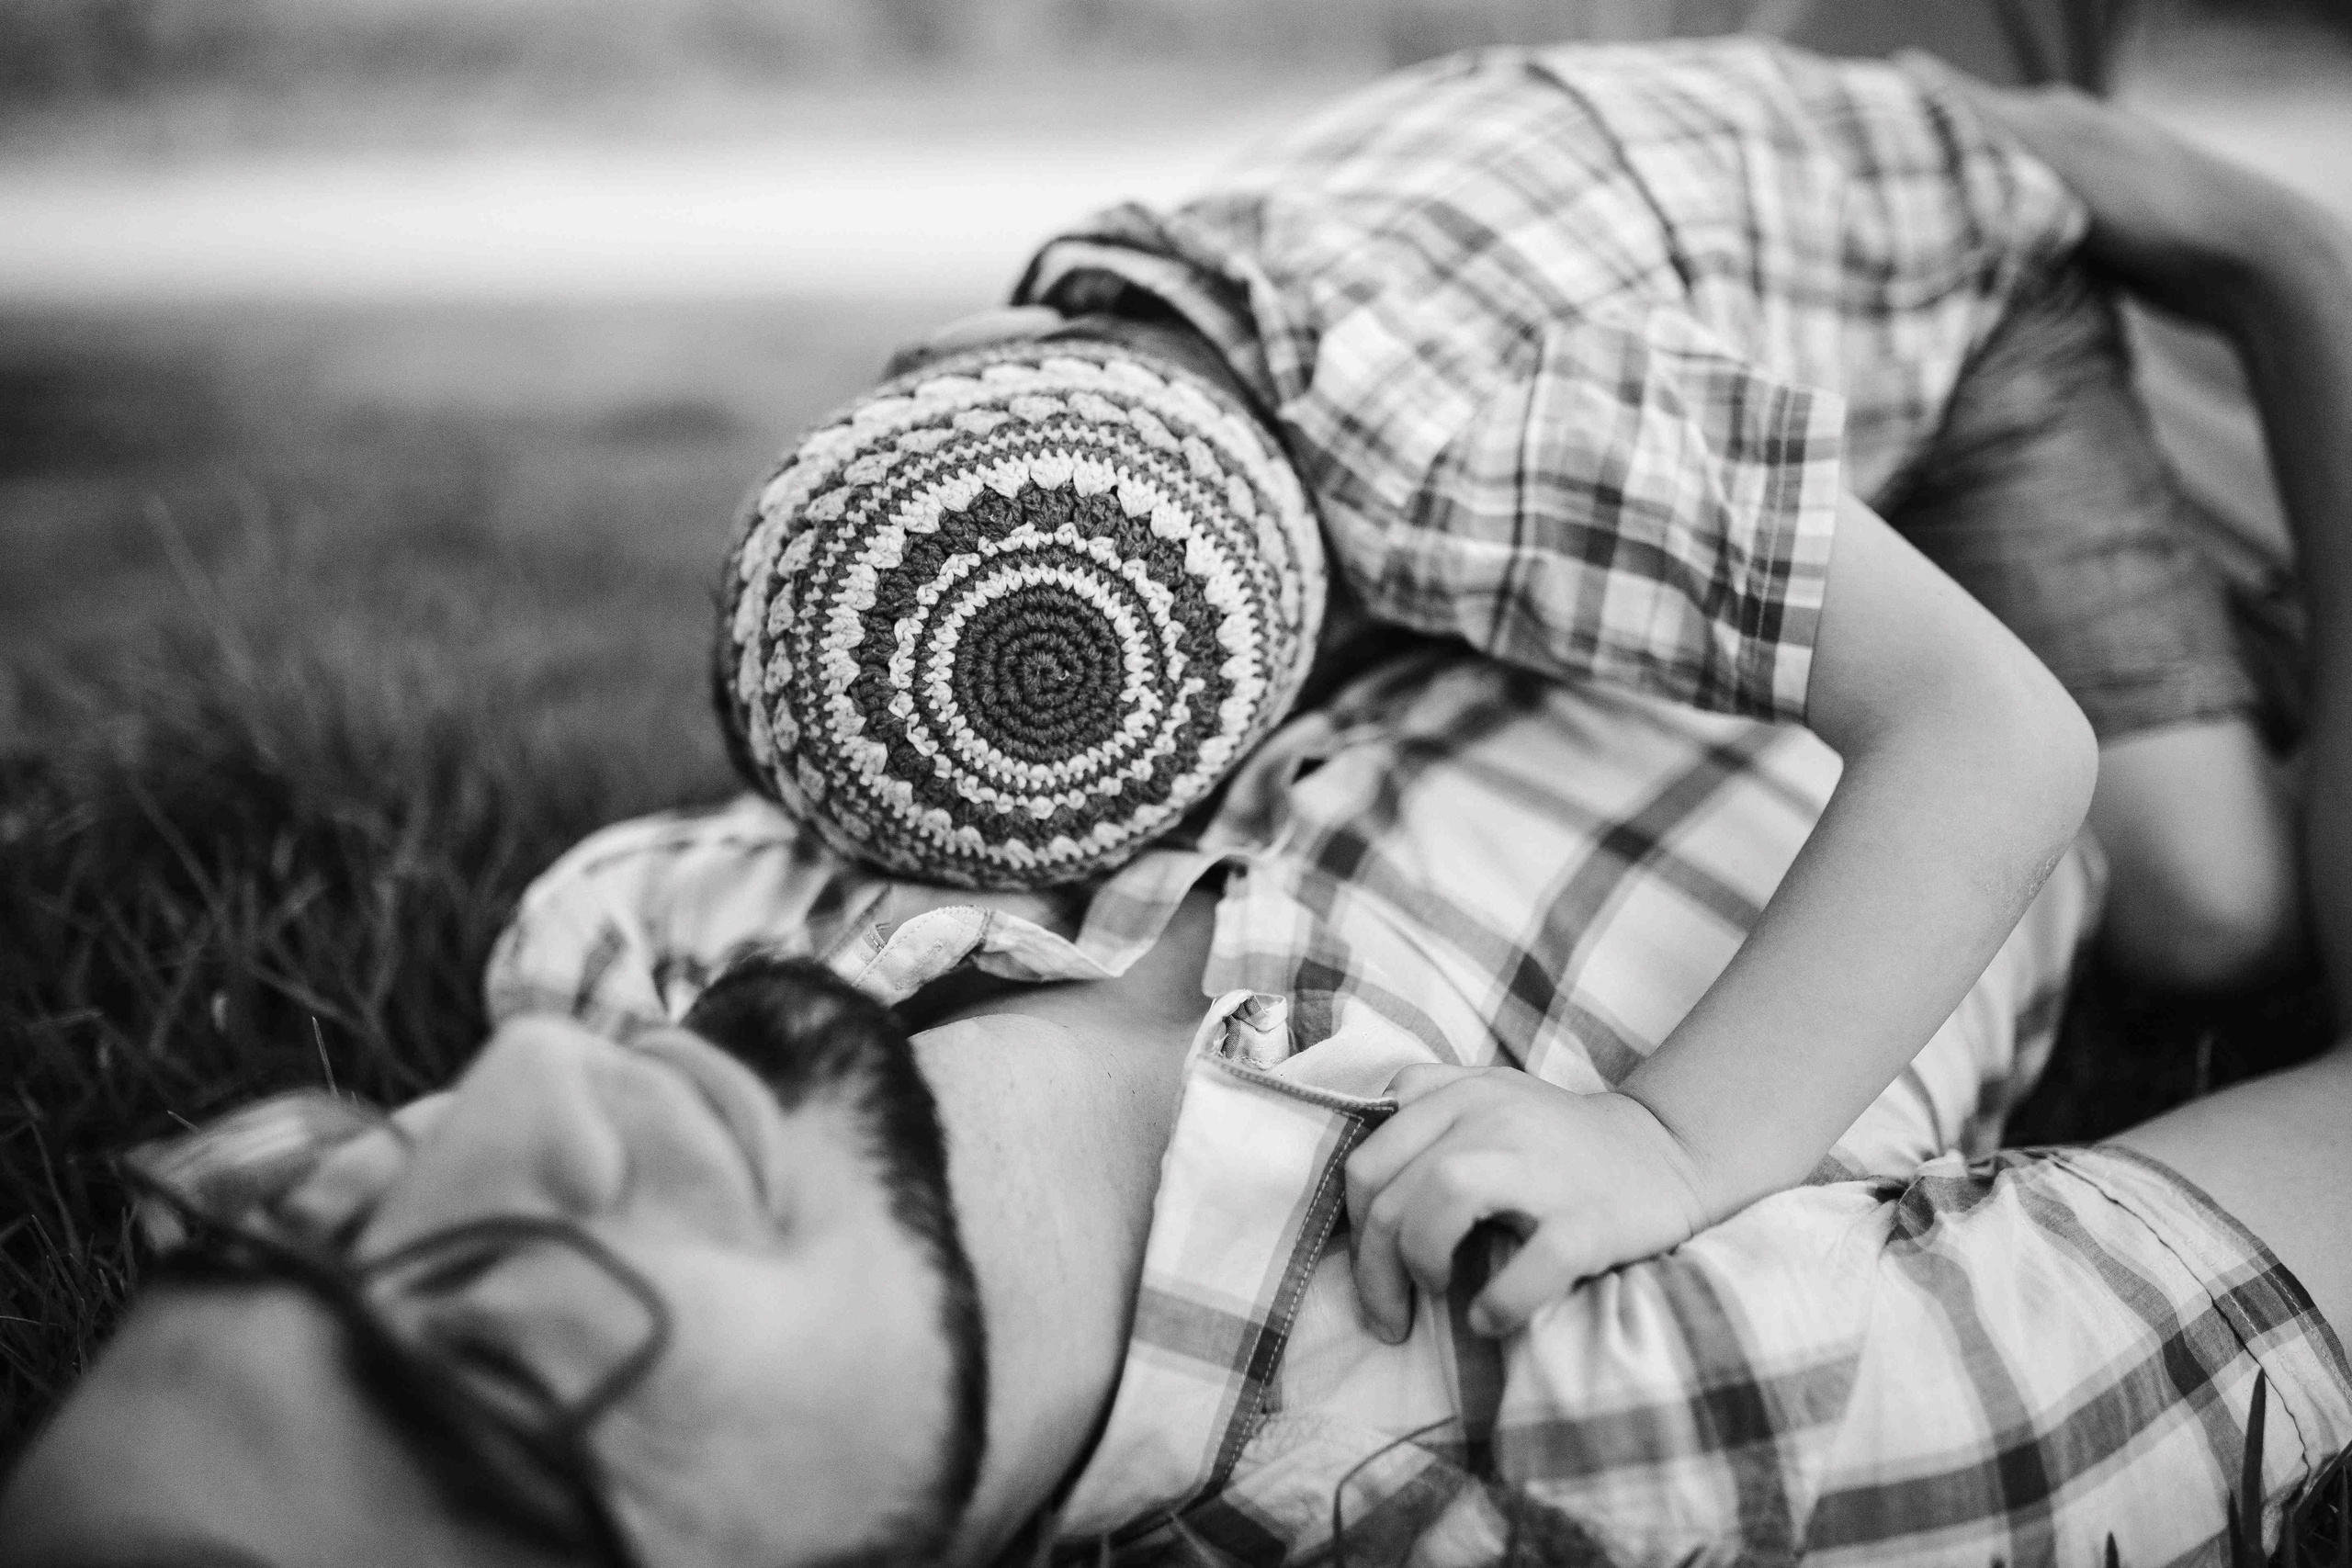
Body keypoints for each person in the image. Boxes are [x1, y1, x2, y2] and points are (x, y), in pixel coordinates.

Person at [7, 51, 2352, 1568]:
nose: (523, 1096)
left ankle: (1957, 149)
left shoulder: (627, 944)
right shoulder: (1610, 1449)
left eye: (312, 1189)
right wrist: (2287, 281)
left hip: (1693, 378)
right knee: (2218, 907)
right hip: (1899, 519)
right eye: (508, 1354)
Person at [703, 31, 2322, 1303]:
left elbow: (2001, 739)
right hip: (1679, 184)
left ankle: (2245, 583)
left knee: (2211, 908)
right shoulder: (1094, 304)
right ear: (953, 364)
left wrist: (1667, 1143)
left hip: (1950, 290)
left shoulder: (1473, 457)